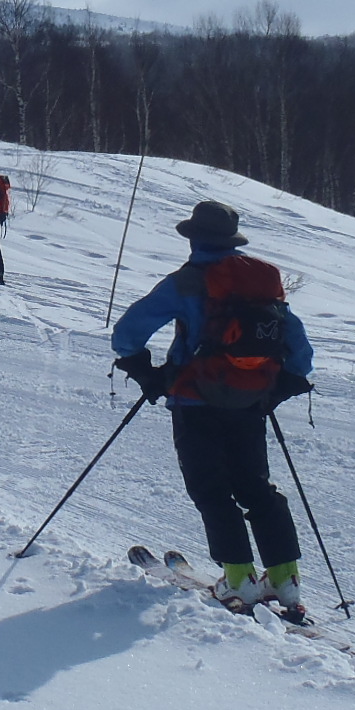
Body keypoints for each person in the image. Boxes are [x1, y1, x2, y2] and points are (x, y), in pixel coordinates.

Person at [110, 200, 315, 617]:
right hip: (251, 401)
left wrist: (145, 370)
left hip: (195, 398)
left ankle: (238, 579)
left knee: (211, 488)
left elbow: (128, 332)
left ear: (193, 238)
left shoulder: (187, 281)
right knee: (256, 487)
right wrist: (277, 385)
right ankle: (285, 579)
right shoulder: (263, 279)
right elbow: (299, 347)